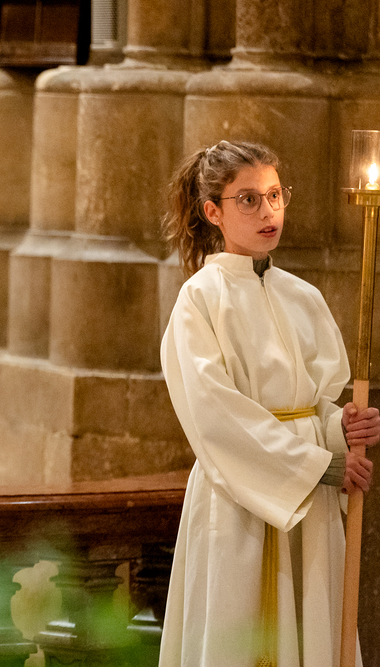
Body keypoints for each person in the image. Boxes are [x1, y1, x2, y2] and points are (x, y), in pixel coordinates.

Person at [158, 140, 380, 667]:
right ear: (213, 211)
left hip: (312, 504)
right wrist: (319, 465)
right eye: (249, 199)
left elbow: (313, 404)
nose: (268, 211)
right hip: (239, 499)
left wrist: (342, 427)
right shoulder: (200, 299)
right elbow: (214, 414)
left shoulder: (303, 296)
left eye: (275, 195)